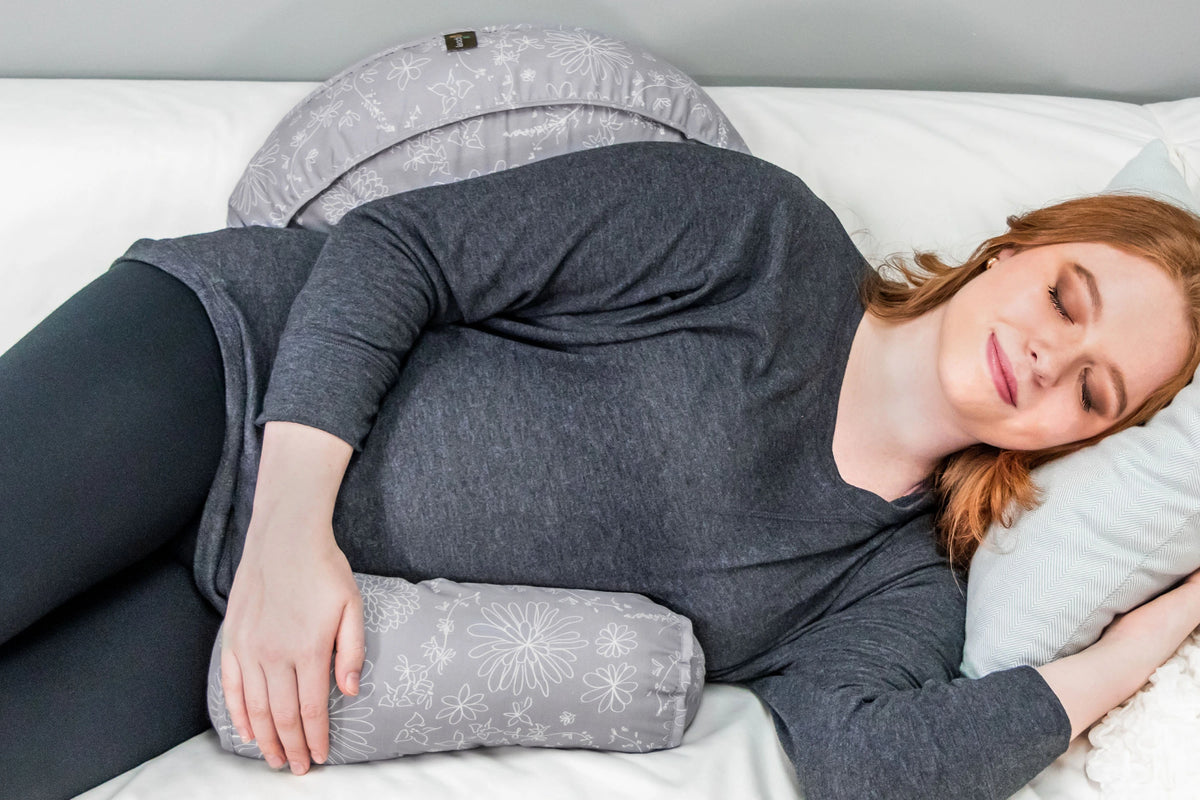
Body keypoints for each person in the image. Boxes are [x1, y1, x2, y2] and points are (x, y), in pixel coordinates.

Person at [3, 140, 1200, 800]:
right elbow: (397, 249)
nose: (1051, 358)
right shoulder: (762, 238)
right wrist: (287, 537)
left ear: (1088, 439)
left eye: (1096, 390)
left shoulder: (889, 582)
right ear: (1015, 250)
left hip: (228, 609)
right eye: (1067, 296)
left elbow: (868, 765)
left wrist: (1147, 639)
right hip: (220, 372)